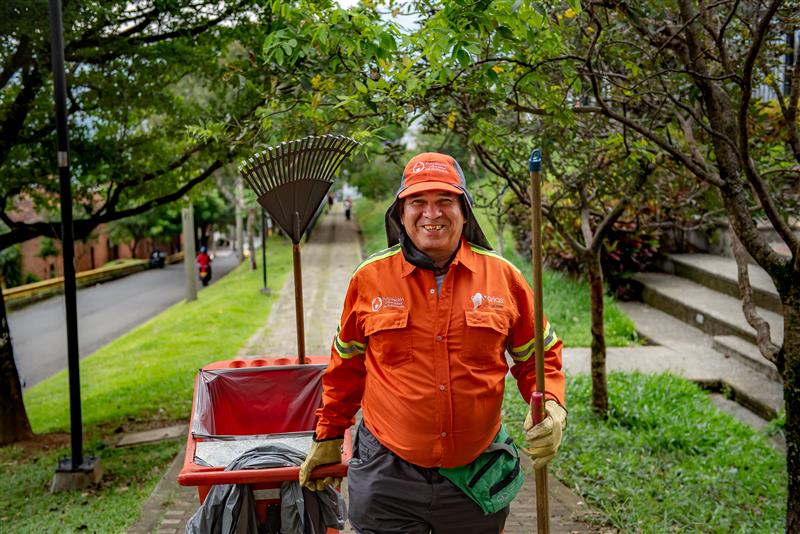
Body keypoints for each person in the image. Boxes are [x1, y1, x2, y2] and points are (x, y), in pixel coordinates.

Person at [299, 152, 566, 533]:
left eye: (444, 201)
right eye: (418, 202)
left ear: (464, 210)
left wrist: (551, 403)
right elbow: (346, 366)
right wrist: (328, 433)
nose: (431, 213)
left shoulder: (504, 278)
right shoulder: (369, 278)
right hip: (386, 475)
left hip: (475, 478)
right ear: (401, 212)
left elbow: (537, 359)